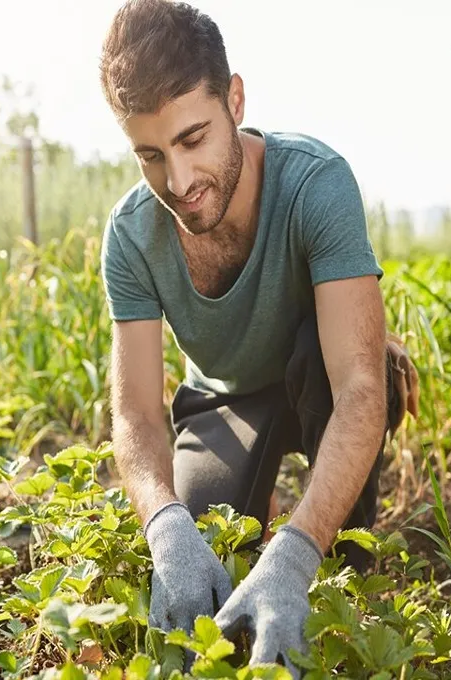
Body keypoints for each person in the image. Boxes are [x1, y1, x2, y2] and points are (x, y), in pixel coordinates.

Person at [97, 0, 420, 673]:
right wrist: (165, 527)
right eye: (151, 155)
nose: (179, 182)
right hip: (222, 400)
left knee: (361, 381)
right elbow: (134, 413)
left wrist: (297, 554)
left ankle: (334, 551)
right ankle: (261, 509)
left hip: (316, 377)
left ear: (234, 99)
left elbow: (359, 389)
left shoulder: (315, 183)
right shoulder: (130, 235)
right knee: (207, 556)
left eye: (192, 140)